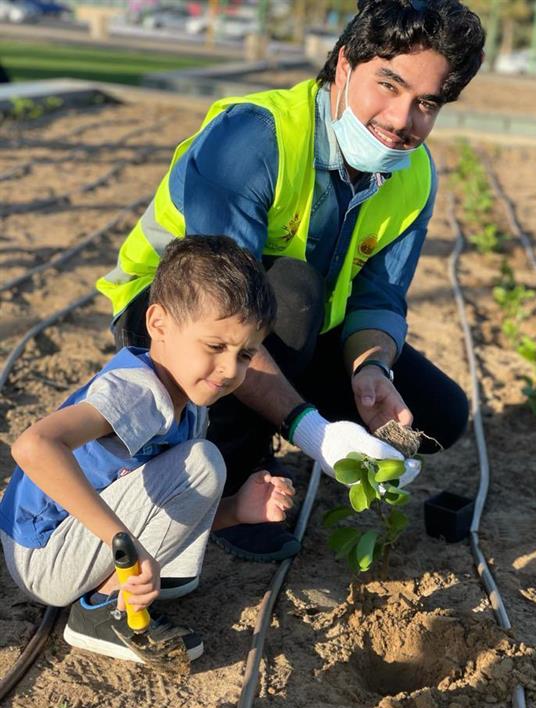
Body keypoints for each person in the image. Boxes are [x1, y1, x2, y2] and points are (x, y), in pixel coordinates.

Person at [96, 0, 485, 563]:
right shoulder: (256, 136)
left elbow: (378, 298)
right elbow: (217, 309)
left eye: (426, 103)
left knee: (440, 413)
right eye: (389, 85)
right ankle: (233, 472)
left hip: (293, 328)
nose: (403, 120)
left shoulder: (413, 174)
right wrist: (310, 429)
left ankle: (282, 415)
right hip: (171, 317)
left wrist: (372, 369)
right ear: (346, 66)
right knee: (293, 295)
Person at [0, 236, 297, 668]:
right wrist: (122, 544)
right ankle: (102, 612)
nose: (231, 369)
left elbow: (163, 505)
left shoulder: (188, 400)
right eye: (215, 346)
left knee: (200, 465)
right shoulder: (139, 394)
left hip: (63, 543)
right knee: (203, 463)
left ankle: (115, 587)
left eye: (245, 354)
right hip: (42, 553)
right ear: (158, 323)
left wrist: (236, 509)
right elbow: (34, 446)